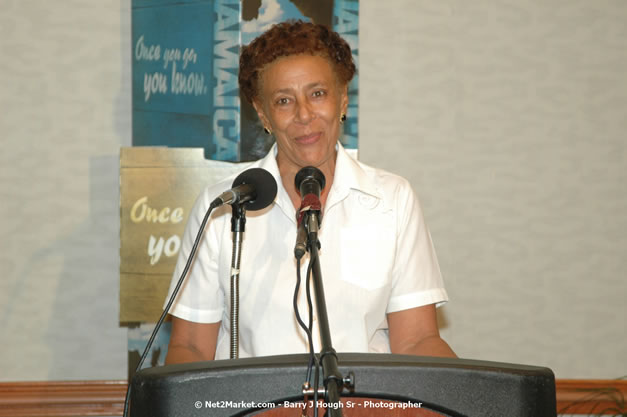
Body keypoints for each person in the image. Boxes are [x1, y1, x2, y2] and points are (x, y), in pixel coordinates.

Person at [165, 20, 456, 364]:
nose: (304, 115)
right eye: (284, 100)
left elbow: (418, 341)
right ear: (263, 113)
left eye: (318, 94)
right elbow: (191, 348)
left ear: (343, 99)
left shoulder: (391, 200)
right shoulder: (224, 208)